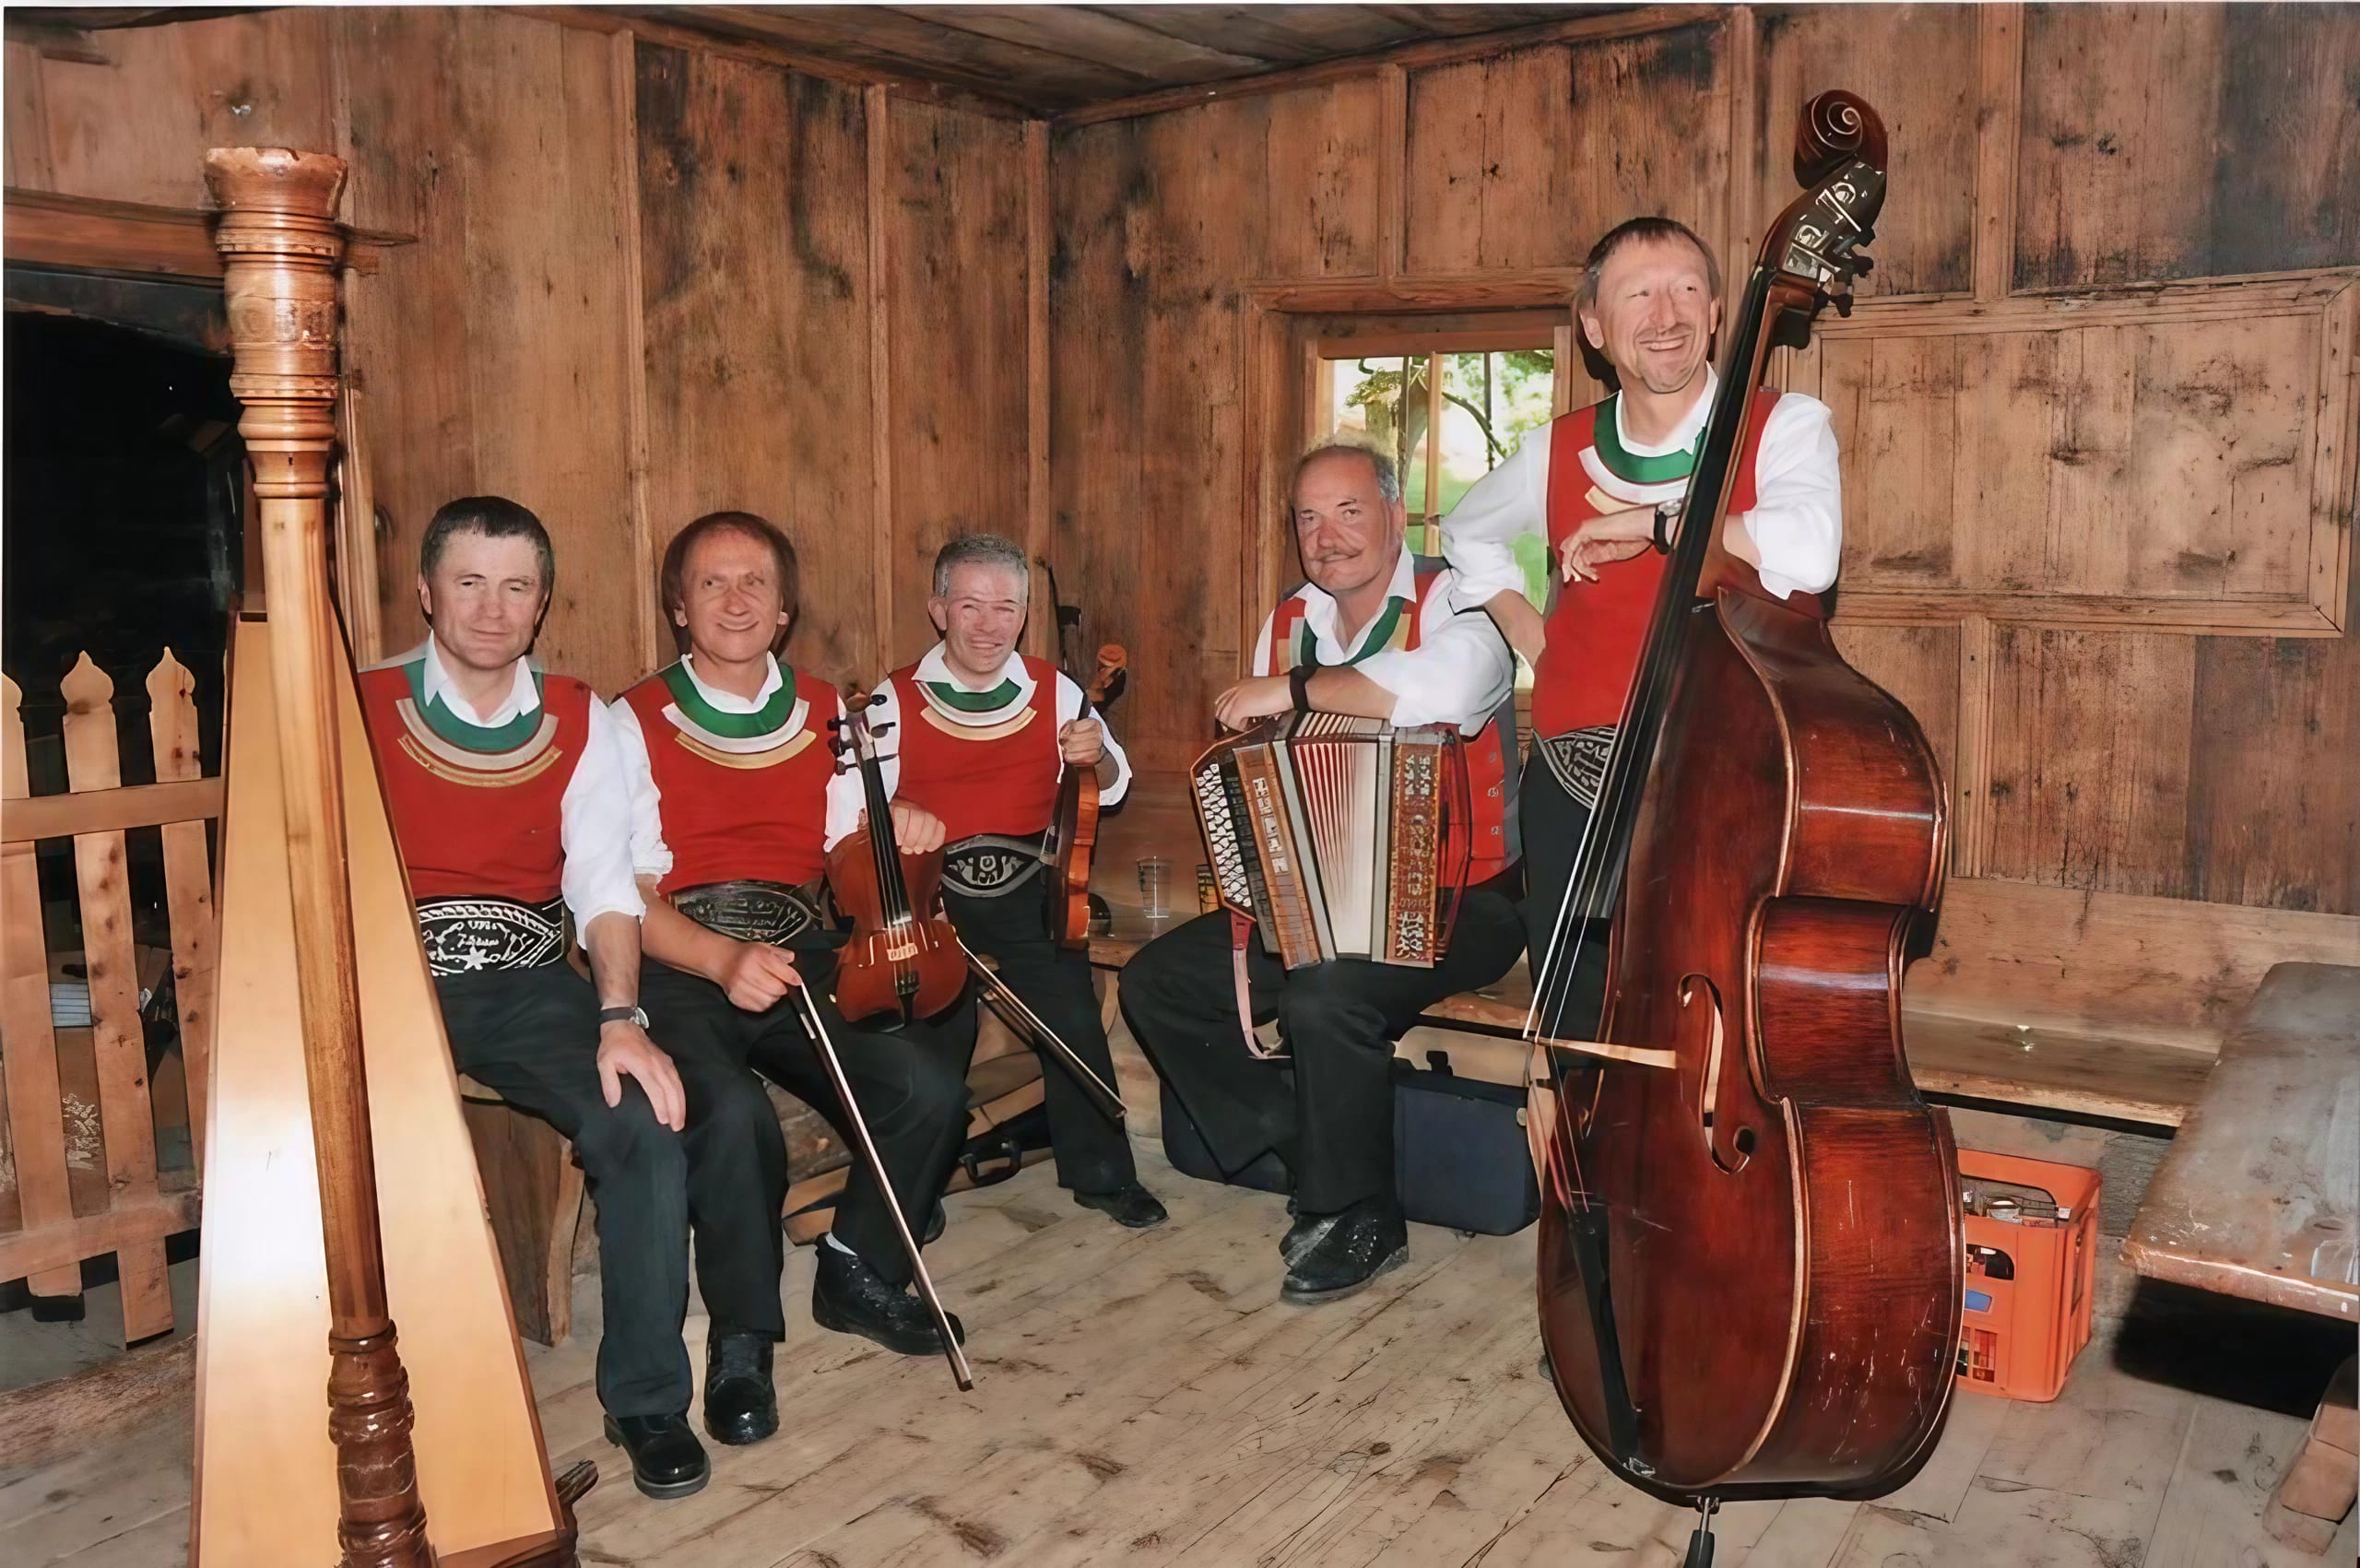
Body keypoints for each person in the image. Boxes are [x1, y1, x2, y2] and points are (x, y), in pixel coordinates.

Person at [355, 497, 708, 1500]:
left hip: (522, 983)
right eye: (468, 582)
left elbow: (602, 881)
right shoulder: (358, 702)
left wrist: (621, 1019)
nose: (491, 608)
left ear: (542, 601)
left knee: (642, 1121)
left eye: (516, 587)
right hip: (385, 983)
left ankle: (647, 1401)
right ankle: (382, 1395)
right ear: (426, 591)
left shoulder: (581, 716)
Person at [1119, 444, 1527, 1303]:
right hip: (1319, 892)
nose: (1327, 535)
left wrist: (1297, 688)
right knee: (1159, 982)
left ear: (1395, 514)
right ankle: (1308, 1153)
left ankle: (1363, 1214)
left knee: (1324, 994)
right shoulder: (1290, 618)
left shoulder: (1463, 596)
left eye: (1348, 511)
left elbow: (1453, 688)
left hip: (1464, 900)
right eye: (1308, 517)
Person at [1438, 215, 1843, 1037]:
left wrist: (1656, 522)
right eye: (1639, 294)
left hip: (1731, 781)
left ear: (1718, 312)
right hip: (1572, 788)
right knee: (1575, 1031)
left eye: (1688, 289)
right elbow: (1466, 530)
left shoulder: (1784, 426)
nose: (1667, 314)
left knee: (1717, 1025)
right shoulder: (1556, 450)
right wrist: (1534, 635)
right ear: (1594, 328)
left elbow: (1810, 553)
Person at [610, 513, 973, 1421]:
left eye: (756, 584)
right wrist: (719, 957)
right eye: (711, 583)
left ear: (783, 610)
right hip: (679, 958)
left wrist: (902, 822)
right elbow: (620, 894)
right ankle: (742, 1337)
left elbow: (856, 845)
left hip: (803, 947)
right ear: (679, 608)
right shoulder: (631, 719)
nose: (735, 601)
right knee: (732, 1115)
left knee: (927, 1087)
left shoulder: (831, 711)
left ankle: (856, 1268)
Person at [860, 534, 1166, 1230]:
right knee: (936, 1023)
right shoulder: (893, 698)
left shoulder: (1055, 689)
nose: (988, 624)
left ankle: (1102, 1173)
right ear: (938, 609)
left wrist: (1095, 755)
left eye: (1006, 607)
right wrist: (893, 808)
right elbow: (853, 806)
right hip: (931, 894)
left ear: (1024, 615)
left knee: (1070, 1006)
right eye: (970, 605)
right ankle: (913, 1189)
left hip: (1027, 889)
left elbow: (1115, 785)